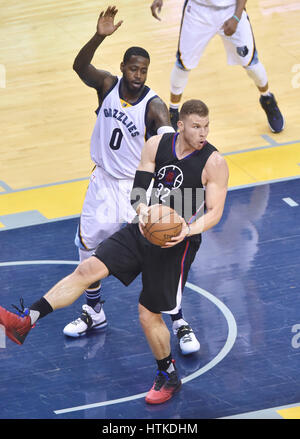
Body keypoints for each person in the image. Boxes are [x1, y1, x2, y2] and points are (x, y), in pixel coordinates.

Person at [0, 99, 229, 404]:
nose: (203, 132)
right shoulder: (156, 145)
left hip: (177, 241)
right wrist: (143, 210)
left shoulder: (214, 162)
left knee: (148, 314)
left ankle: (168, 374)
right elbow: (138, 190)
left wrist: (187, 229)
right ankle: (27, 320)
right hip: (145, 226)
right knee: (87, 270)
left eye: (207, 126)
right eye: (197, 126)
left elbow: (214, 212)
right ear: (181, 125)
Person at [67, 6, 199, 354]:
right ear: (124, 67)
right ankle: (94, 310)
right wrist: (99, 36)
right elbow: (80, 67)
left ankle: (179, 320)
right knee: (88, 247)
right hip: (102, 182)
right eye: (134, 68)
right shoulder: (107, 85)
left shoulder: (154, 106)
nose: (139, 74)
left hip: (137, 188)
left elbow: (170, 144)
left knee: (160, 252)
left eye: (144, 70)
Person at [150, 0, 284, 133]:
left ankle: (267, 99)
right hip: (198, 12)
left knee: (251, 64)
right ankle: (173, 111)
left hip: (231, 10)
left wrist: (236, 18)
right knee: (183, 64)